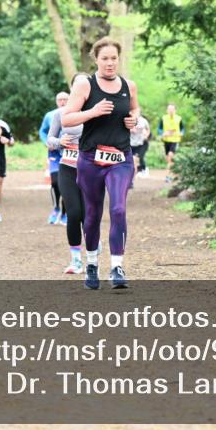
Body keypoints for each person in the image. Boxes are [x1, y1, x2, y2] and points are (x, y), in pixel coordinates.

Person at [62, 37, 139, 290]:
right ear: (96, 59)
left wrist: (134, 119)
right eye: (104, 58)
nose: (110, 63)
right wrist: (93, 111)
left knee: (118, 209)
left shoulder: (129, 85)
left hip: (120, 158)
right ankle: (92, 263)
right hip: (90, 159)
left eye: (114, 58)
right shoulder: (85, 84)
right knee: (92, 214)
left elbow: (135, 110)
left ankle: (117, 267)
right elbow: (67, 119)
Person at [47, 73, 90, 275]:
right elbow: (50, 139)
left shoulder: (96, 112)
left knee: (89, 215)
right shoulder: (60, 113)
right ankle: (76, 260)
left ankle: (92, 249)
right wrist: (59, 142)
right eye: (77, 84)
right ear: (73, 88)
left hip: (91, 170)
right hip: (67, 167)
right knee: (73, 213)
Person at [39, 91, 69, 225]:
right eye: (60, 99)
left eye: (65, 99)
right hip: (55, 154)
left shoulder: (75, 114)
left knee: (67, 184)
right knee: (55, 182)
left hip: (69, 153)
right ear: (56, 101)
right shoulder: (50, 115)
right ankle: (56, 208)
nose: (62, 102)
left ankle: (65, 213)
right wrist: (47, 142)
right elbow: (42, 131)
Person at [158, 103, 184, 182]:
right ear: (167, 110)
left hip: (175, 140)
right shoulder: (163, 118)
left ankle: (168, 176)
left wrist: (181, 133)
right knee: (169, 160)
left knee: (170, 156)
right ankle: (177, 171)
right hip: (166, 141)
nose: (171, 111)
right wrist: (162, 133)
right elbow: (159, 129)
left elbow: (182, 129)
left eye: (172, 109)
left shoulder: (179, 118)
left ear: (175, 110)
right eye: (169, 109)